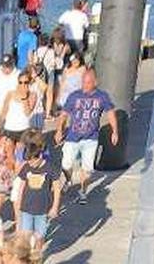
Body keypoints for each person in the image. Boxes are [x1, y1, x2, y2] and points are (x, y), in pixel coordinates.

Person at [54, 69, 119, 205]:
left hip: (91, 138)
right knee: (66, 164)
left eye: (88, 83)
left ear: (95, 82)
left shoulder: (102, 97)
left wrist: (115, 131)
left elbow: (111, 113)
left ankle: (83, 191)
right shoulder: (74, 96)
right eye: (83, 82)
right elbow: (64, 114)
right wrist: (59, 130)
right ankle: (69, 178)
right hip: (73, 136)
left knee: (87, 168)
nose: (85, 85)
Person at [14, 143, 61, 255]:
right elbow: (21, 187)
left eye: (32, 161)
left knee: (40, 236)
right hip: (26, 207)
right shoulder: (26, 167)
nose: (29, 163)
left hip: (43, 209)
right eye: (27, 161)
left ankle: (37, 255)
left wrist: (55, 207)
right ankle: (28, 256)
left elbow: (57, 189)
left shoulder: (50, 168)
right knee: (26, 234)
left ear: (40, 156)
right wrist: (18, 204)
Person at [0, 72, 36, 142]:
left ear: (29, 83)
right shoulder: (10, 93)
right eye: (20, 82)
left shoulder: (32, 95)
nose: (23, 85)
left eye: (26, 82)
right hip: (9, 129)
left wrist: (24, 97)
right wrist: (0, 125)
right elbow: (4, 111)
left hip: (24, 130)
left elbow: (27, 113)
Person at [46, 52, 84, 117]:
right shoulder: (67, 68)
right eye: (74, 60)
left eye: (77, 60)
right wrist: (59, 95)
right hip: (66, 93)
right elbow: (63, 83)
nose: (75, 62)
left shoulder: (82, 69)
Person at [28, 64, 48, 130]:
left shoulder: (38, 83)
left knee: (38, 135)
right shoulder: (26, 84)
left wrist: (36, 78)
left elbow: (45, 88)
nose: (34, 74)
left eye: (34, 72)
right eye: (32, 72)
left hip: (39, 112)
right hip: (30, 114)